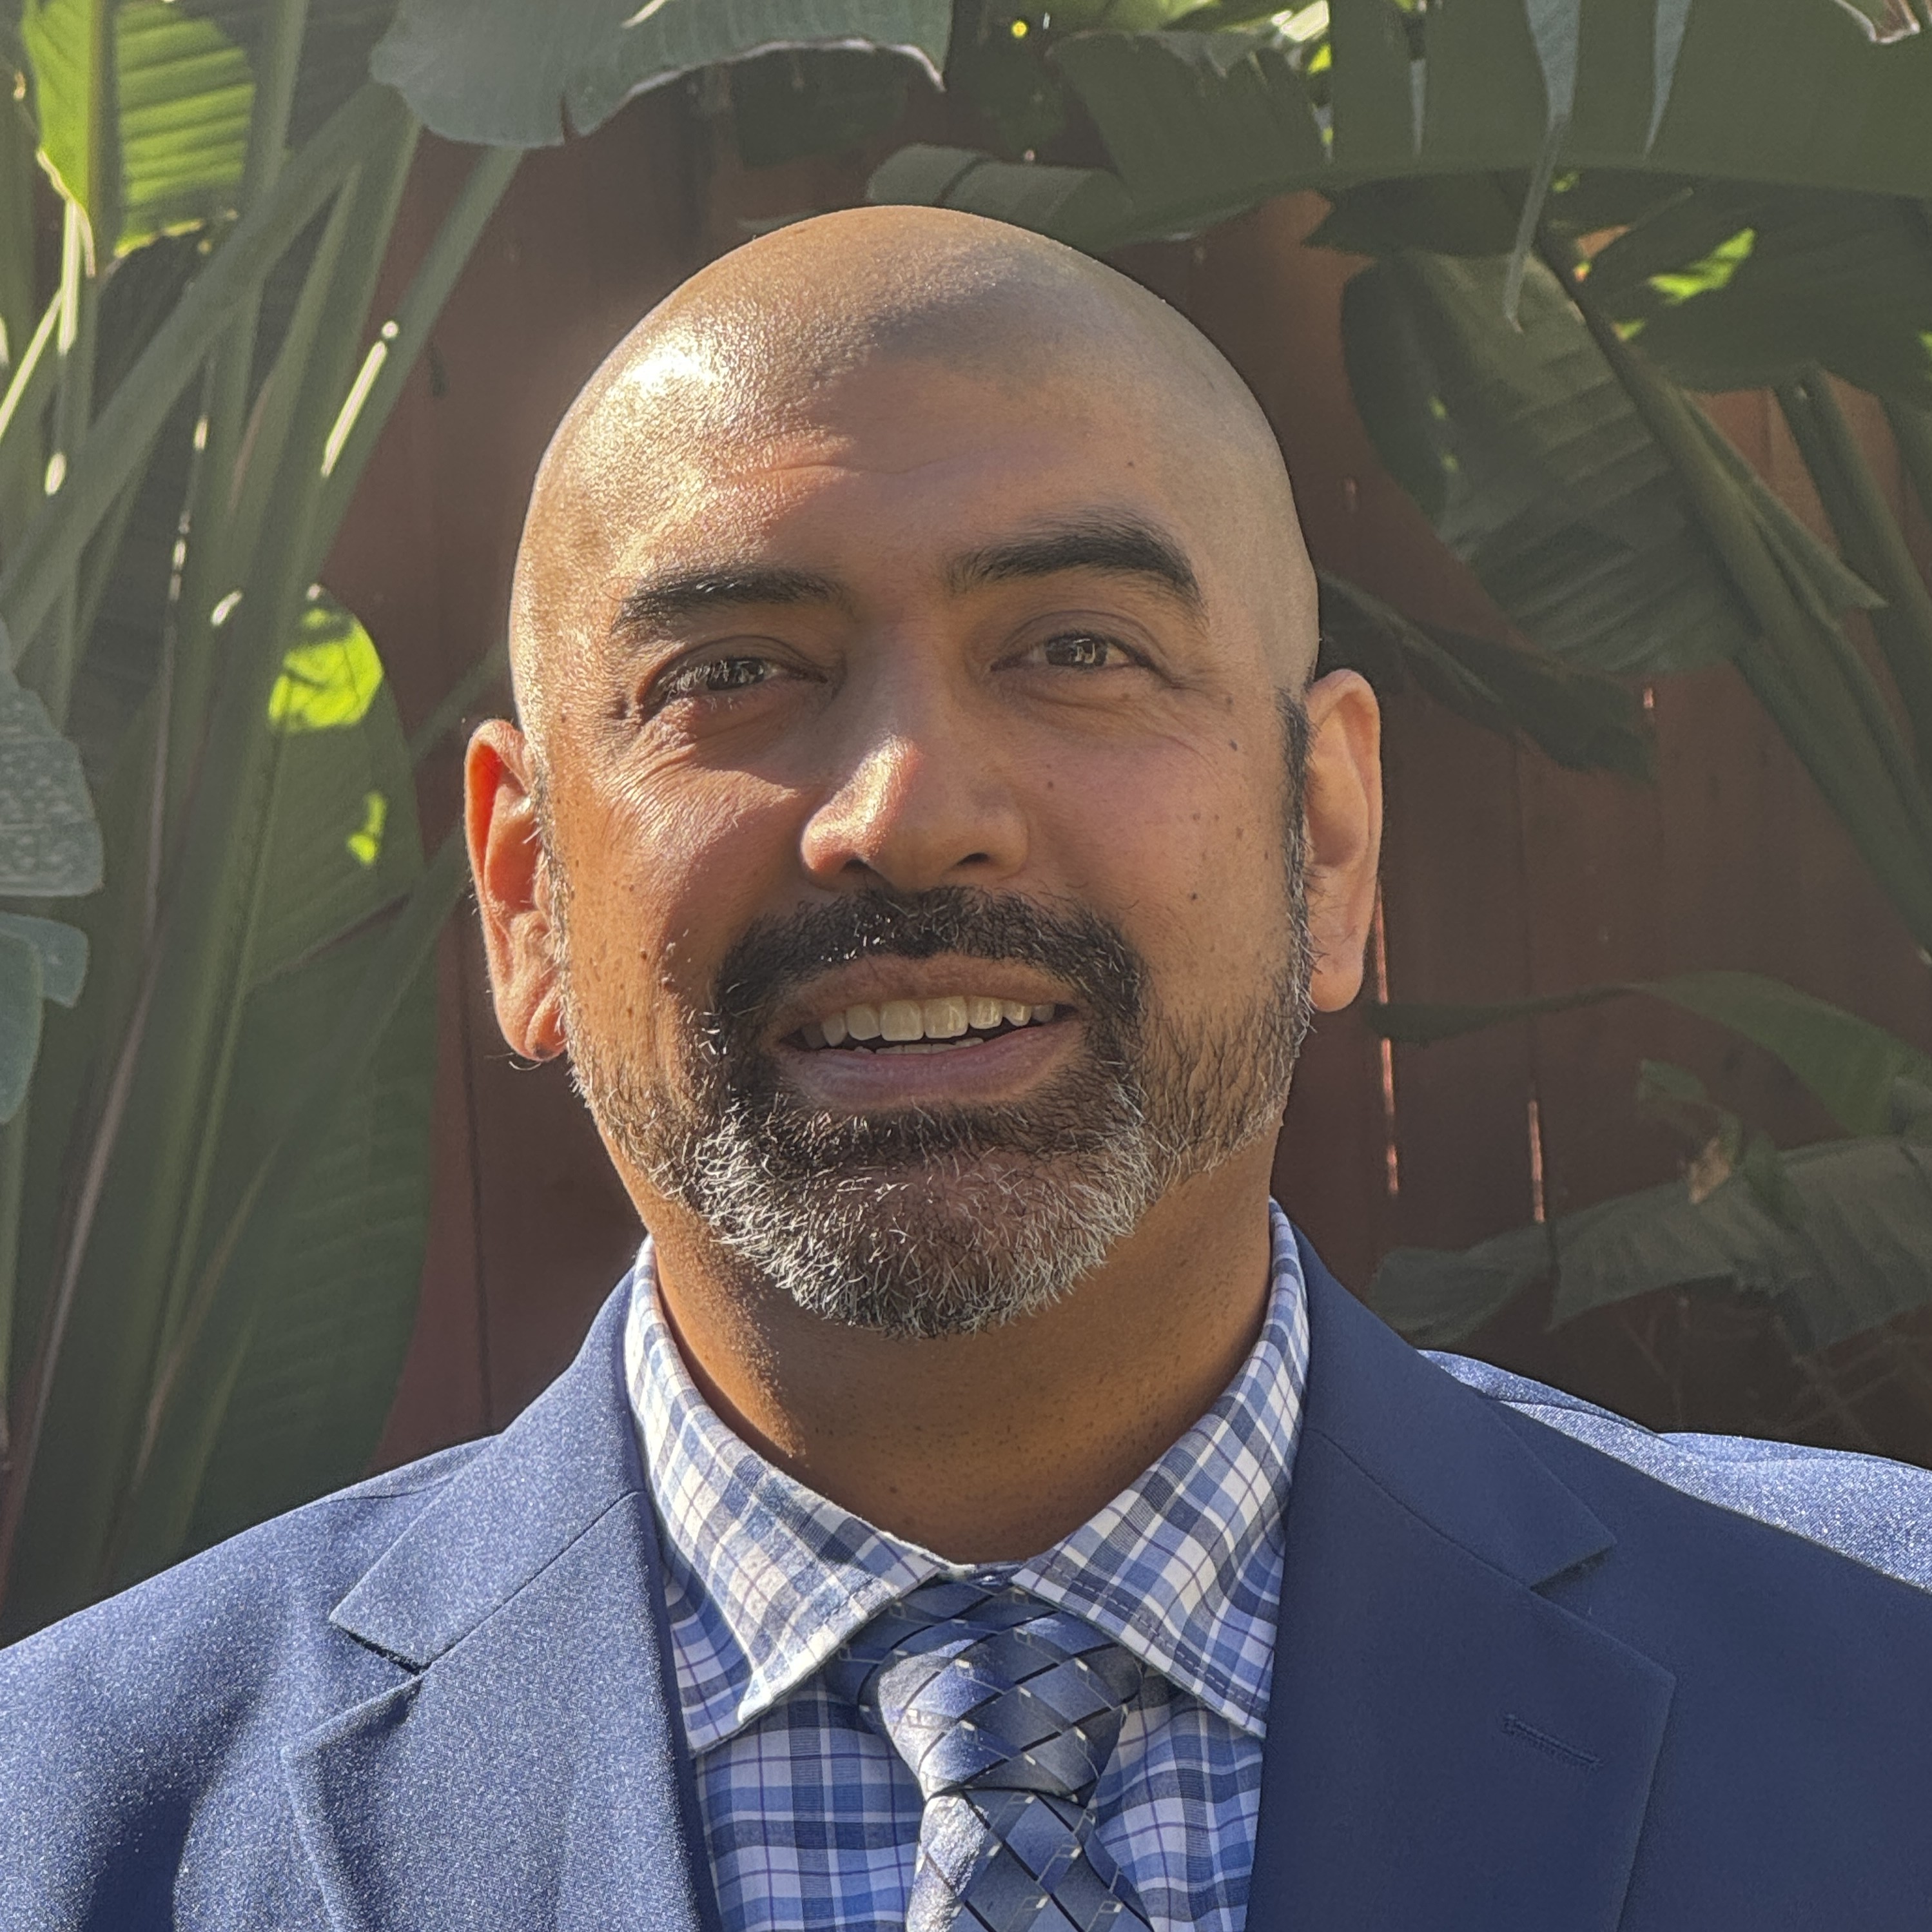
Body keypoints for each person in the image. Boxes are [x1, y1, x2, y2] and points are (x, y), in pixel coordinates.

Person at [4, 205, 1931, 1932]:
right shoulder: (72, 1831)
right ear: (525, 898)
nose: (907, 812)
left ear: (1326, 842)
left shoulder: (1893, 1699)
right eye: (732, 672)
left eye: (1078, 648)